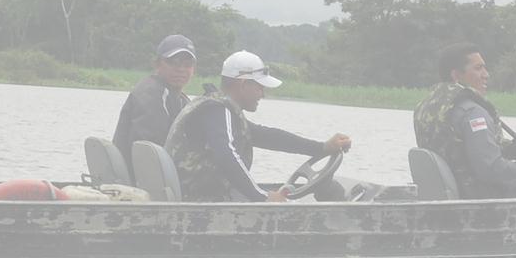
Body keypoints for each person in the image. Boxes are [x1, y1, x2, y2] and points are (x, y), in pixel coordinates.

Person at [166, 51, 352, 202]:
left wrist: (321, 147)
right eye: (260, 87)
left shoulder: (219, 110)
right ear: (243, 84)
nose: (262, 94)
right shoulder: (218, 110)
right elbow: (226, 155)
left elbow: (267, 136)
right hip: (200, 201)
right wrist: (263, 197)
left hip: (204, 195)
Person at [413, 42, 516, 198]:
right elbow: (491, 169)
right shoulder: (473, 113)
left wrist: (510, 150)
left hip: (454, 192)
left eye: (484, 67)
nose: (486, 74)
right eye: (478, 68)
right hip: (479, 196)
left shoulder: (426, 107)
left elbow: (460, 151)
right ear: (456, 76)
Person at [112, 34, 198, 172]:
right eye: (174, 62)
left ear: (193, 69)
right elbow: (151, 150)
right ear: (158, 64)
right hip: (141, 179)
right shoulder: (152, 94)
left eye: (187, 64)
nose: (181, 69)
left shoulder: (178, 98)